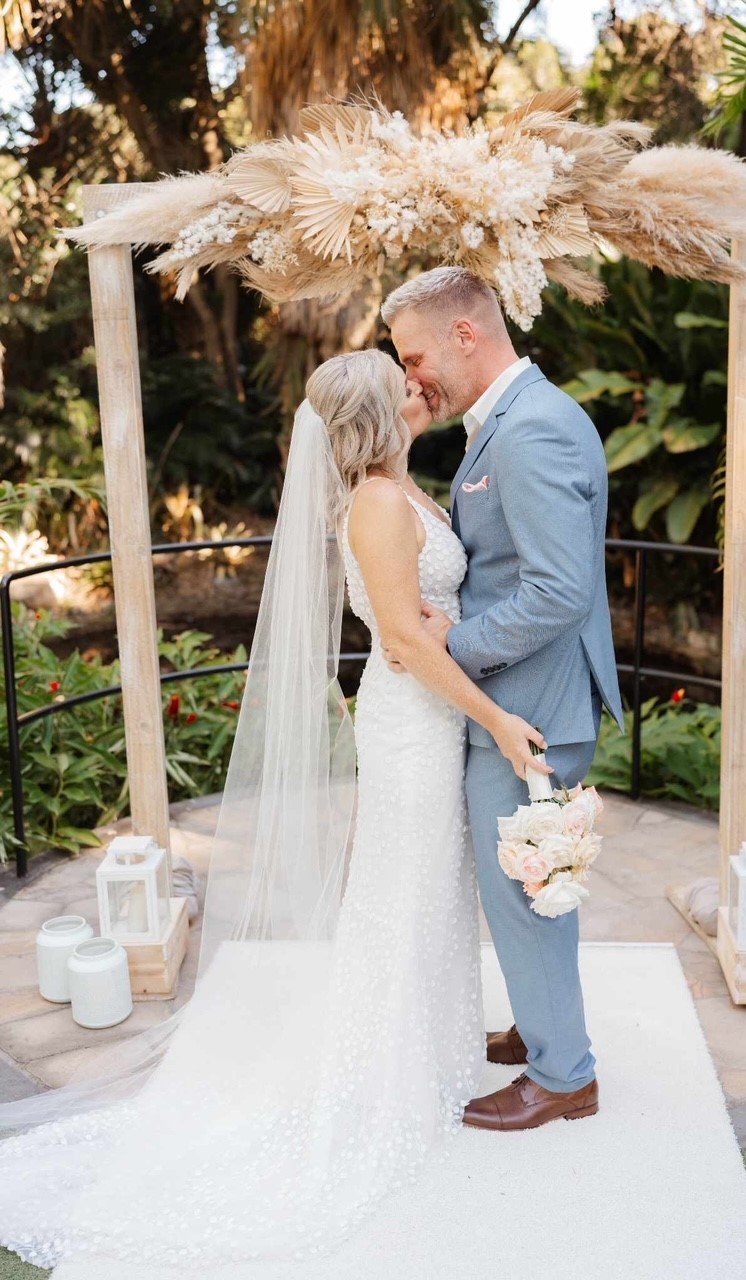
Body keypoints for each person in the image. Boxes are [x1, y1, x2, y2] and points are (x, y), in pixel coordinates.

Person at [0, 347, 552, 1275]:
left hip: (430, 713)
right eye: (400, 380)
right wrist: (497, 717)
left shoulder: (401, 488)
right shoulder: (376, 506)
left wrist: (453, 629)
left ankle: (433, 1054)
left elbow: (426, 612)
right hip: (414, 721)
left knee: (434, 888)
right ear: (376, 417)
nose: (418, 383)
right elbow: (408, 647)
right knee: (404, 891)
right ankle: (386, 1081)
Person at [382, 266, 625, 1132]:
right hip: (525, 703)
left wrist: (454, 646)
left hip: (530, 712)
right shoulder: (516, 422)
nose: (412, 378)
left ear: (464, 334)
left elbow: (558, 590)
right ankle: (542, 1027)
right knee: (529, 885)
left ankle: (565, 1078)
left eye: (414, 355)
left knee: (523, 891)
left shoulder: (531, 433)